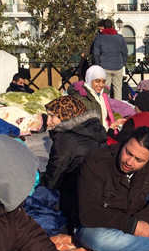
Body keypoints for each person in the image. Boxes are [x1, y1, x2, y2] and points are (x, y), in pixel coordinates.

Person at [41, 96, 107, 227]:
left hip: (74, 199)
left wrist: (39, 182)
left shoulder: (65, 139)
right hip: (97, 195)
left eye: (52, 116)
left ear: (66, 114)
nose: (48, 122)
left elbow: (53, 179)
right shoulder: (96, 128)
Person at [68, 65, 133, 131]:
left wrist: (113, 125)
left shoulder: (103, 95)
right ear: (90, 79)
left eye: (103, 82)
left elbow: (105, 118)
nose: (101, 85)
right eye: (97, 81)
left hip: (103, 134)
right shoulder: (80, 97)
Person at [92, 18, 128, 100]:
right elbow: (125, 52)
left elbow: (95, 54)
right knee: (118, 88)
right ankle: (117, 109)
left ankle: (106, 108)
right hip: (118, 65)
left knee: (105, 89)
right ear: (112, 26)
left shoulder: (99, 38)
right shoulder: (120, 38)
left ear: (103, 27)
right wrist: (123, 63)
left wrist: (97, 66)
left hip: (104, 66)